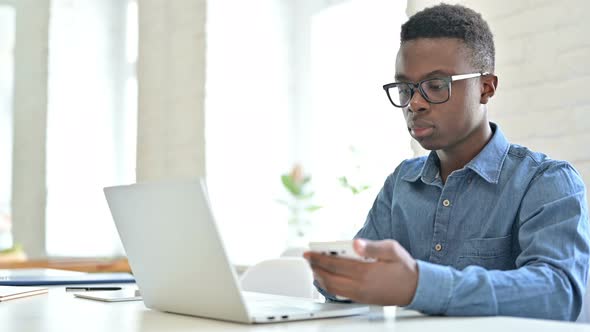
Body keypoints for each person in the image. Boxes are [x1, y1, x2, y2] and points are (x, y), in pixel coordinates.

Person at [304, 3, 589, 321]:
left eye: (436, 86)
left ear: (485, 87)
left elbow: (560, 293)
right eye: (404, 88)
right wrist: (341, 278)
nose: (414, 103)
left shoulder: (546, 182)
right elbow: (360, 273)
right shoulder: (402, 183)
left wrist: (418, 285)